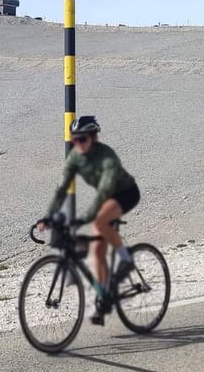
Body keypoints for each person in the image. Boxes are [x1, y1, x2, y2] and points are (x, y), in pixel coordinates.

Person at [37, 115, 141, 324]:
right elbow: (62, 189)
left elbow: (104, 193)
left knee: (100, 222)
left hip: (125, 193)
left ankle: (126, 260)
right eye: (74, 140)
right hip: (108, 198)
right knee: (97, 252)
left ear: (94, 137)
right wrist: (48, 217)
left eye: (82, 139)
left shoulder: (107, 157)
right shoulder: (75, 157)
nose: (78, 144)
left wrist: (83, 218)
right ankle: (104, 298)